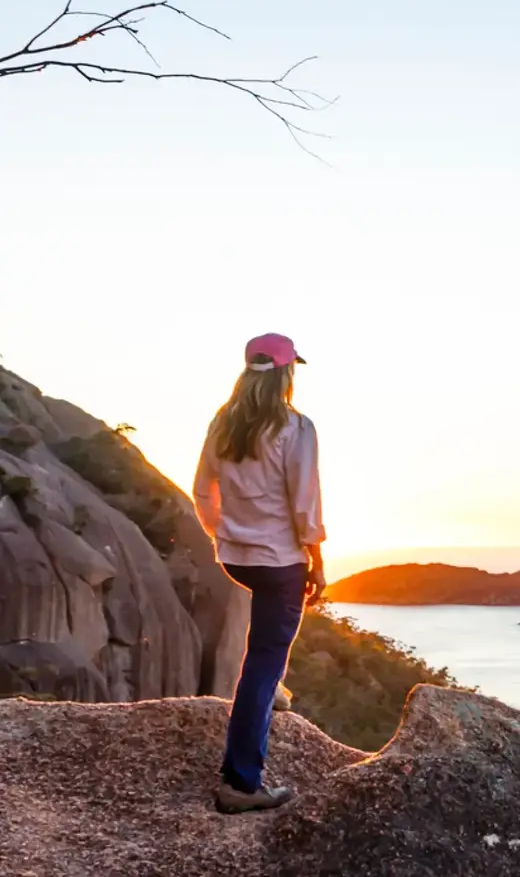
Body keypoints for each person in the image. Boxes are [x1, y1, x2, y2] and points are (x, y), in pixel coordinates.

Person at [192, 333, 327, 814]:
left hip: (236, 556)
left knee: (266, 644)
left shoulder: (223, 424)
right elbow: (305, 505)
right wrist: (318, 560)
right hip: (279, 558)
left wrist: (223, 535)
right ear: (288, 373)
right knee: (265, 654)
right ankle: (240, 784)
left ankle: (274, 691)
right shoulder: (296, 427)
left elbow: (203, 491)